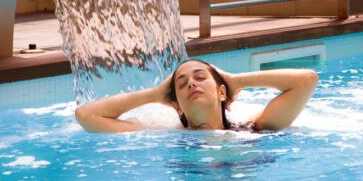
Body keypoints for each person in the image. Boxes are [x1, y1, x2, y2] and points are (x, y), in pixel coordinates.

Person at [75, 59, 318, 133]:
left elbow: (307, 80)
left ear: (221, 92)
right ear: (177, 106)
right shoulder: (165, 134)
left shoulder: (254, 127)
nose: (191, 83)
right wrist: (155, 94)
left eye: (200, 77)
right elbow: (86, 116)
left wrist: (237, 81)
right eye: (182, 84)